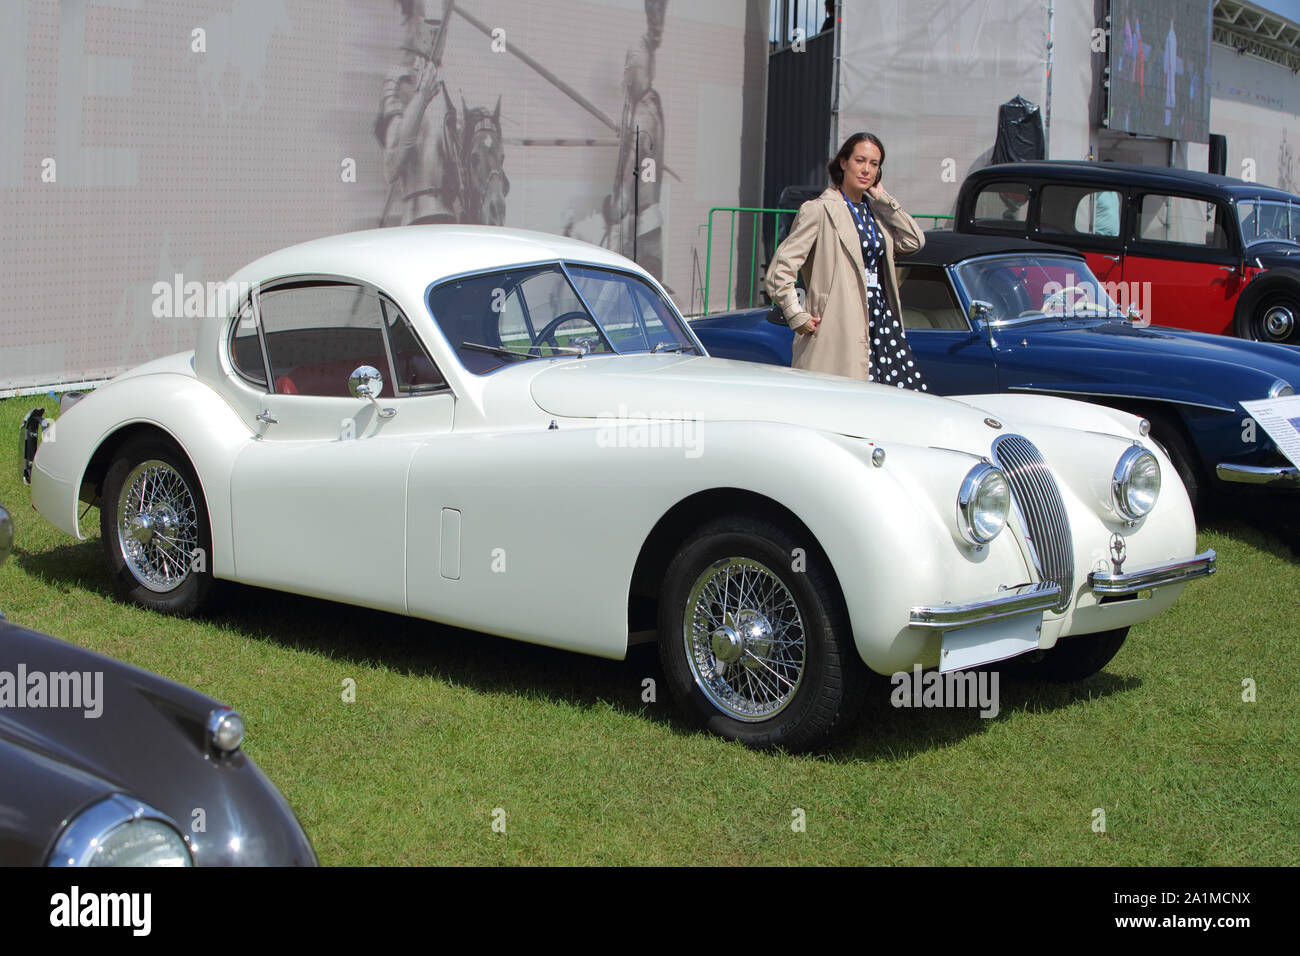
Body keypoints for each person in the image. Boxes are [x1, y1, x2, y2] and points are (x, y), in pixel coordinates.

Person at [764, 132, 927, 387]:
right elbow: (780, 271)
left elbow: (913, 241)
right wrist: (797, 315)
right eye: (860, 160)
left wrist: (883, 199)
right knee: (846, 402)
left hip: (880, 320)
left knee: (894, 402)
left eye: (874, 164)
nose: (867, 170)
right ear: (843, 162)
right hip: (838, 323)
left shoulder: (875, 211)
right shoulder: (819, 209)